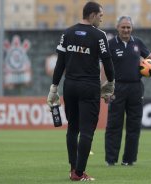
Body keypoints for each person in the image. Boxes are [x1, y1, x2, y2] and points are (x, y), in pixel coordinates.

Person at [47, 1, 115, 181]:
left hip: (69, 86)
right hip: (89, 87)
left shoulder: (67, 33)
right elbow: (107, 62)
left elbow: (60, 63)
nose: (101, 19)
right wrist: (110, 84)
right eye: (100, 15)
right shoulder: (99, 35)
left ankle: (73, 170)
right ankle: (79, 173)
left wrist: (54, 87)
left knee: (72, 128)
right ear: (92, 15)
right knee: (86, 131)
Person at [105, 16, 151, 166]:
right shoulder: (110, 44)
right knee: (114, 125)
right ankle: (111, 160)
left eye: (128, 27)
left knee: (134, 125)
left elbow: (150, 58)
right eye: (123, 27)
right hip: (117, 88)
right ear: (117, 28)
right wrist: (106, 88)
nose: (126, 30)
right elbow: (103, 68)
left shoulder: (138, 43)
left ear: (132, 28)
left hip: (136, 88)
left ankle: (129, 160)